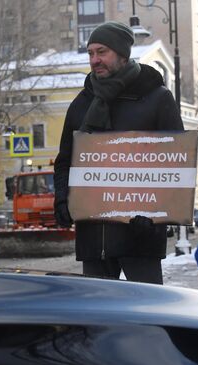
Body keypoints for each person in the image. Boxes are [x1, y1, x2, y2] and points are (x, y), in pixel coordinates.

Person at [53, 21, 184, 284]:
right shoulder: (82, 104)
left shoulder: (156, 98)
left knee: (148, 314)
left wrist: (157, 215)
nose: (94, 60)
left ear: (122, 55)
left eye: (102, 52)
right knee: (98, 317)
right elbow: (65, 161)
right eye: (90, 53)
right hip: (94, 237)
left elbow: (176, 164)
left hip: (140, 235)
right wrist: (62, 200)